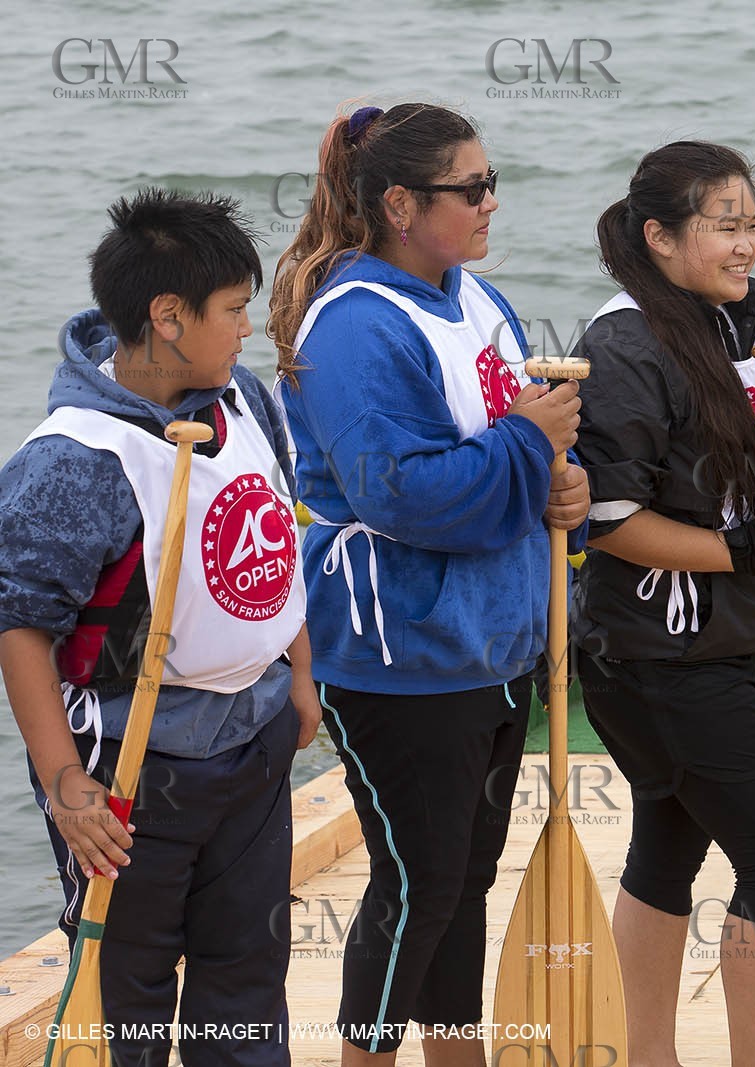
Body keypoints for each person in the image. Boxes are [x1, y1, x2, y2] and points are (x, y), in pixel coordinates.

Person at [269, 103, 588, 1067]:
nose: (493, 201)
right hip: (396, 647)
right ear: (401, 204)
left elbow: (507, 452)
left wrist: (561, 485)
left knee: (462, 882)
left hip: (490, 643)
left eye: (493, 182)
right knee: (415, 888)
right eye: (473, 187)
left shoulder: (474, 297)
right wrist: (533, 443)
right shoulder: (356, 325)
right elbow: (398, 490)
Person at [0, 189, 315, 1067]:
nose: (247, 330)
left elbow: (276, 535)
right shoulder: (71, 459)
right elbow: (19, 625)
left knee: (248, 980)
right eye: (234, 311)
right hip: (132, 769)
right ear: (167, 316)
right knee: (127, 998)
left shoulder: (240, 394)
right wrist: (67, 786)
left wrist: (298, 673)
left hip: (253, 743)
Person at [569, 140, 755, 1067]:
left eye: (754, 223)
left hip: (720, 643)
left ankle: (649, 1058)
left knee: (667, 852)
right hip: (660, 653)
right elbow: (608, 517)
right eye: (726, 225)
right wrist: (737, 549)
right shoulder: (626, 342)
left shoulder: (731, 320)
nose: (747, 244)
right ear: (660, 236)